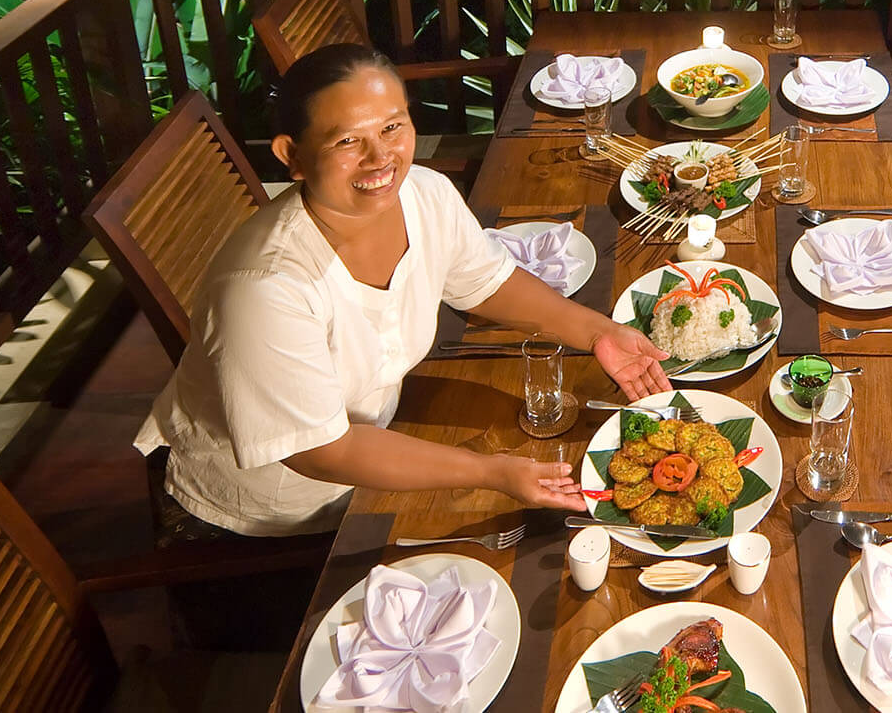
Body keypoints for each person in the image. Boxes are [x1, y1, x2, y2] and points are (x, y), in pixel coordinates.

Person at [134, 43, 671, 537]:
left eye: (393, 127)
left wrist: (598, 332)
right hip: (271, 518)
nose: (380, 157)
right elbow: (321, 450)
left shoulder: (425, 194)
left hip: (385, 446)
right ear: (291, 155)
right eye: (347, 140)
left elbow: (486, 282)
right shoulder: (267, 289)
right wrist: (491, 472)